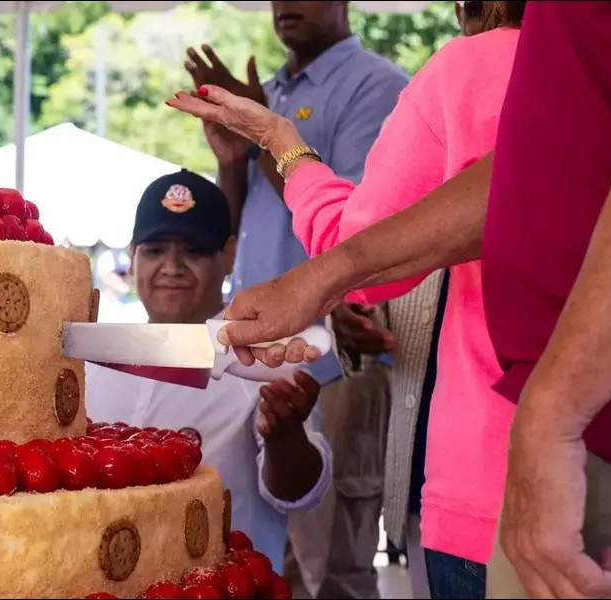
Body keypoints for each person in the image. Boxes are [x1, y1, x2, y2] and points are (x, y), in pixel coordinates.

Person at [176, 1, 611, 597]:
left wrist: (283, 146)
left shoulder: (472, 66)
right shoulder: (571, 56)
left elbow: (363, 244)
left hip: (511, 471)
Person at [167, 2, 526, 598]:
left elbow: (363, 245)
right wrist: (245, 150)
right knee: (256, 557)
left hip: (370, 383)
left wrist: (276, 139)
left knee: (332, 568)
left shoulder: (409, 78)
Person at [185, 4, 408, 596]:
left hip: (333, 362)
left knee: (331, 568)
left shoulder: (377, 86)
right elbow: (227, 236)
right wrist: (233, 161)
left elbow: (358, 230)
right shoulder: (270, 91)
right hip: (247, 361)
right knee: (251, 558)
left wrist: (265, 133)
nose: (288, 4)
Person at [84, 169, 333, 574]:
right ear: (132, 255)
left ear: (229, 254)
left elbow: (299, 494)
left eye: (194, 251)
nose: (172, 267)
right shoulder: (95, 361)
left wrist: (285, 436)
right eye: (154, 250)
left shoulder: (264, 357)